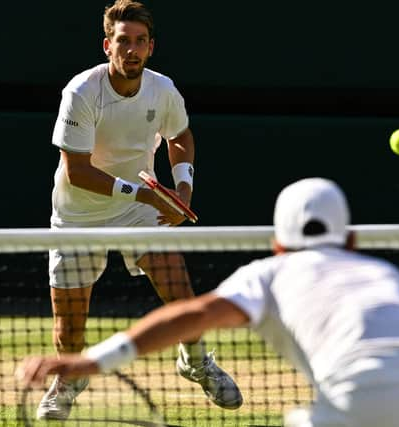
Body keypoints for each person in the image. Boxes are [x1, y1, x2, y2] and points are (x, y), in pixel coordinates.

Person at [18, 177, 399, 427]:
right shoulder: (388, 273)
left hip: (359, 396)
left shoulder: (270, 273)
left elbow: (193, 313)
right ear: (350, 238)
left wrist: (91, 361)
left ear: (277, 242)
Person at [40, 0, 242, 420]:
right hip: (80, 214)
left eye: (139, 42)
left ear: (151, 47)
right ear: (107, 46)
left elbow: (180, 134)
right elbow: (77, 172)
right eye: (122, 41)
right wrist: (148, 194)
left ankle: (196, 360)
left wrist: (182, 189)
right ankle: (69, 378)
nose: (131, 50)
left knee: (176, 282)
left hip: (137, 209)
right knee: (69, 330)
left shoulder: (162, 89)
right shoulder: (81, 92)